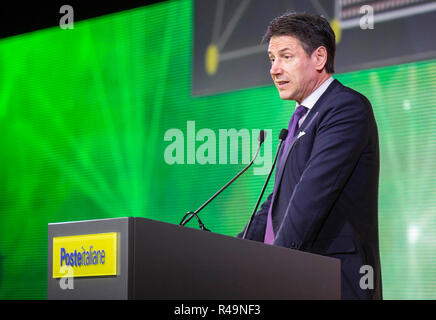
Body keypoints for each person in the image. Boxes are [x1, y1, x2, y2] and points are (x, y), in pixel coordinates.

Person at [238, 12, 382, 300]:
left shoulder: (345, 109)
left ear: (318, 58)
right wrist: (231, 254)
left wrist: (271, 268)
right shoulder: (299, 118)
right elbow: (278, 202)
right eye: (271, 58)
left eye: (285, 56)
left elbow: (310, 197)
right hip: (301, 279)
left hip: (336, 281)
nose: (274, 69)